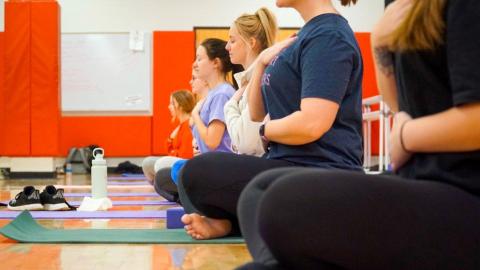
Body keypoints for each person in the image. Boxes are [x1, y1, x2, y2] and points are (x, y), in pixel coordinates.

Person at [237, 0, 480, 269]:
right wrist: (379, 44)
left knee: (281, 201)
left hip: (462, 189)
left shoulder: (463, 7)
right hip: (417, 177)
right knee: (259, 192)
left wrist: (405, 136)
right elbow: (400, 106)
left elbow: (312, 123)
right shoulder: (408, 8)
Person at [179, 0, 364, 240]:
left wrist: (265, 131)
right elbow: (256, 113)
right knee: (188, 176)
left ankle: (238, 221)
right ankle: (234, 222)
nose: (228, 46)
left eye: (232, 40)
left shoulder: (328, 36)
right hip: (286, 163)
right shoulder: (302, 36)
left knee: (199, 172)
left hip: (323, 171)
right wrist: (261, 64)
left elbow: (311, 124)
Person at [152, 38, 239, 202]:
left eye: (199, 59)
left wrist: (196, 116)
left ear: (216, 63)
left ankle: (203, 202)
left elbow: (213, 141)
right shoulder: (214, 93)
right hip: (209, 162)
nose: (194, 64)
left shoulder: (222, 93)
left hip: (219, 166)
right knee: (163, 178)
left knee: (167, 174)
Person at [224, 7, 278, 156]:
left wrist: (229, 105)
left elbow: (245, 145)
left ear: (252, 42)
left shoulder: (260, 80)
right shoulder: (248, 82)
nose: (227, 46)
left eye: (232, 40)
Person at [141, 90, 195, 201]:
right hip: (179, 164)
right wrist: (171, 140)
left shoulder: (188, 126)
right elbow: (171, 151)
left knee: (148, 163)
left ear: (179, 106)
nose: (169, 107)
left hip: (184, 168)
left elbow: (184, 156)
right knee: (150, 164)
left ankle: (173, 191)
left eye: (172, 103)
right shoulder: (181, 126)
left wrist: (172, 149)